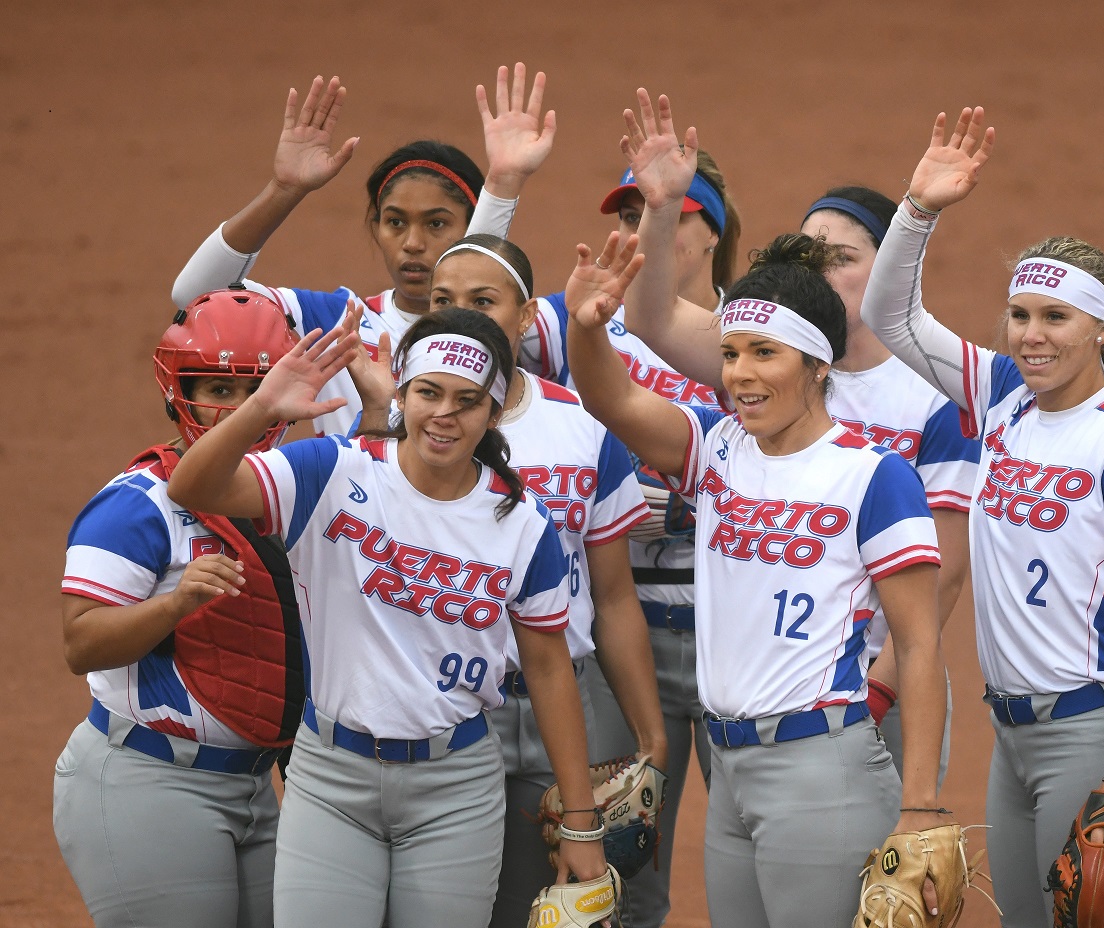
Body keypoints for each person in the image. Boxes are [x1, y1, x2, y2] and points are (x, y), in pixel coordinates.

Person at [164, 307, 607, 928]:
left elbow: (549, 669)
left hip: (456, 789)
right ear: (401, 394)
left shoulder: (522, 524)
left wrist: (582, 825)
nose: (445, 413)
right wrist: (260, 408)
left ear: (494, 412)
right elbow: (191, 487)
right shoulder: (328, 471)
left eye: (467, 401)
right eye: (428, 392)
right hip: (330, 778)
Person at [565, 229, 953, 928]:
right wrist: (587, 330)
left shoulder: (874, 476)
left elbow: (921, 644)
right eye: (731, 353)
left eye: (764, 353)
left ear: (818, 363)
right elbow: (612, 400)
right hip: (732, 773)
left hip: (821, 772)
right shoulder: (717, 448)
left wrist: (920, 806)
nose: (740, 374)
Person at [860, 107, 1104, 926]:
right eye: (1020, 315)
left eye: (1055, 318)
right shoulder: (1004, 397)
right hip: (1013, 736)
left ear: (1102, 329)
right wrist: (918, 209)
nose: (1031, 336)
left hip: (1096, 732)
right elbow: (890, 316)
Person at [610, 90, 978, 787]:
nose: (822, 272)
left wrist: (876, 696)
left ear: (891, 267)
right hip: (773, 687)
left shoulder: (934, 400)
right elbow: (651, 317)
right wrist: (660, 211)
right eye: (811, 257)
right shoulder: (768, 358)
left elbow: (947, 576)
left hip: (885, 682)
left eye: (843, 257)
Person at [350, 234, 667, 928]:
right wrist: (376, 420)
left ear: (525, 318)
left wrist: (652, 735)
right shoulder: (409, 427)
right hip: (455, 706)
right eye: (442, 300)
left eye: (483, 300)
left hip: (565, 701)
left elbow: (614, 597)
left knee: (564, 903)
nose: (462, 313)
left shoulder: (584, 423)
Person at [512, 130, 743, 928]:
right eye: (628, 214)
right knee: (620, 864)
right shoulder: (575, 321)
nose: (643, 231)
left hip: (730, 631)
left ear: (710, 231)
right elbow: (467, 313)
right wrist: (502, 186)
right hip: (623, 633)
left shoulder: (753, 337)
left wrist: (689, 499)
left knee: (750, 848)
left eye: (668, 213)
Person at [55, 288, 304, 927]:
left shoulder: (293, 491)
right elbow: (81, 643)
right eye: (217, 389)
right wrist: (175, 603)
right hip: (150, 780)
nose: (236, 410)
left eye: (254, 390)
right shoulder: (137, 503)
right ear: (179, 392)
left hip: (256, 787)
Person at [170, 66, 555, 436]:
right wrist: (283, 190)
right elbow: (198, 297)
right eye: (396, 222)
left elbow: (476, 301)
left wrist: (503, 186)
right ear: (376, 227)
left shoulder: (512, 320)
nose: (412, 243)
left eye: (436, 223)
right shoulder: (339, 323)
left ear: (471, 225)